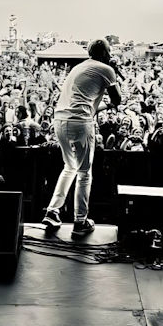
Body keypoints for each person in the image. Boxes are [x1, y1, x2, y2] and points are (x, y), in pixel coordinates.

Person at [42, 38, 122, 236]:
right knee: (85, 172)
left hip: (60, 121)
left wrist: (105, 105)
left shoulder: (78, 67)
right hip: (80, 123)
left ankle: (53, 211)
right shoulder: (107, 70)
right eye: (109, 52)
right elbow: (118, 99)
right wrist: (113, 71)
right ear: (105, 53)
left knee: (69, 167)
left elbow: (88, 104)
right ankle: (80, 221)